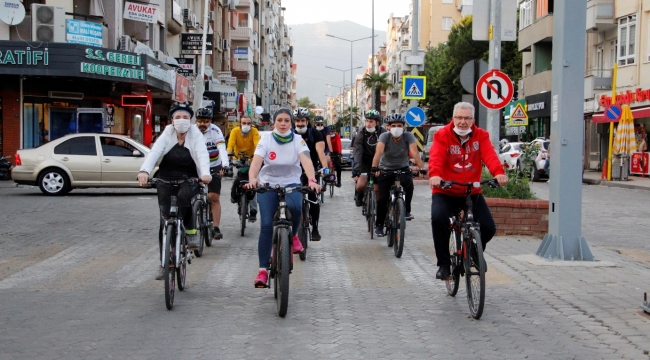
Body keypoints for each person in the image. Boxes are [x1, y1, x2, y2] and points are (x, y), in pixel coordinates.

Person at [428, 102, 508, 280]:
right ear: (453, 119)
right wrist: (435, 176)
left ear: (473, 120)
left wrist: (499, 173)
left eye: (467, 118)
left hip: (472, 191)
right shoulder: (442, 135)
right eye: (459, 118)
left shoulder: (481, 136)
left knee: (488, 228)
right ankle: (444, 265)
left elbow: (490, 156)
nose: (462, 122)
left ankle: (473, 251)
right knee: (439, 219)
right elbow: (436, 157)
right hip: (446, 190)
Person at [245, 108, 321, 287]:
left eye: (287, 120)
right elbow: (256, 162)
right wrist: (252, 179)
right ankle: (262, 270)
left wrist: (311, 180)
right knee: (265, 227)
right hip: (268, 185)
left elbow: (306, 161)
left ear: (291, 123)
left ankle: (294, 236)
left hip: (291, 183)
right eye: (280, 120)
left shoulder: (297, 140)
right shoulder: (266, 139)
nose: (283, 123)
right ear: (274, 122)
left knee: (295, 208)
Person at [138, 102, 212, 280]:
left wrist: (205, 174)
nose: (182, 121)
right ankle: (164, 263)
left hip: (189, 177)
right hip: (165, 177)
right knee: (164, 219)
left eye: (185, 117)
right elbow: (155, 152)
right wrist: (144, 171)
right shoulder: (167, 133)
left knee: (184, 200)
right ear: (171, 120)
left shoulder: (195, 134)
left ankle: (190, 230)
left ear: (190, 120)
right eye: (178, 117)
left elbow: (202, 154)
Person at [372, 113, 425, 235]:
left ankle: (406, 210)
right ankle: (379, 224)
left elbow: (415, 153)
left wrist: (422, 168)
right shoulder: (384, 136)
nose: (397, 128)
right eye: (394, 125)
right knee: (383, 198)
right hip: (385, 168)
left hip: (403, 168)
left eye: (399, 125)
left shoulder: (408, 136)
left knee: (409, 185)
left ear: (404, 127)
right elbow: (378, 153)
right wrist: (375, 168)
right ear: (388, 127)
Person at [293, 107, 329, 241]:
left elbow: (321, 152)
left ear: (307, 121)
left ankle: (315, 228)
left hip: (311, 171)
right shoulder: (290, 133)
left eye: (302, 120)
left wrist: (325, 169)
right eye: (297, 121)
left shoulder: (315, 133)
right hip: (293, 171)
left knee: (313, 198)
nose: (300, 123)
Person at [195, 107, 229, 240]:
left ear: (210, 121)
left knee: (214, 197)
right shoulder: (191, 132)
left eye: (206, 121)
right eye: (200, 121)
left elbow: (221, 148)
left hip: (214, 165)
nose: (203, 124)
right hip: (197, 166)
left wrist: (225, 165)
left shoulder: (215, 131)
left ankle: (215, 227)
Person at [227, 115, 261, 222]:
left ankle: (253, 211)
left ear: (251, 124)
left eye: (248, 123)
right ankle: (235, 197)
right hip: (237, 158)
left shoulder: (254, 131)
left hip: (252, 159)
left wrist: (258, 155)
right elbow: (230, 144)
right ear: (239, 124)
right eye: (244, 123)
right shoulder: (234, 131)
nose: (246, 125)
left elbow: (258, 144)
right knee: (236, 179)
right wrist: (229, 155)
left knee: (253, 184)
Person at [352, 109, 386, 207]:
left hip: (379, 162)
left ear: (377, 122)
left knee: (378, 190)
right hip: (364, 162)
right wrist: (356, 169)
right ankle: (359, 194)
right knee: (361, 185)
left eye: (371, 121)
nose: (368, 124)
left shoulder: (383, 132)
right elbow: (358, 151)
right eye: (367, 121)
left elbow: (386, 150)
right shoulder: (361, 133)